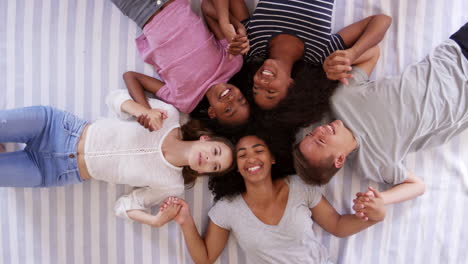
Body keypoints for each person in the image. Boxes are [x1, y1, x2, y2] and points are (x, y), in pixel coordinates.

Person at [293, 23, 468, 216]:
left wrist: (348, 57)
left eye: (311, 134)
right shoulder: (372, 163)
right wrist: (382, 199)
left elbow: (373, 53)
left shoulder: (340, 97)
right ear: (339, 159)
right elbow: (417, 186)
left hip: (455, 56)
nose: (319, 130)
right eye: (320, 140)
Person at [0, 90, 235, 227]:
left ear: (206, 173)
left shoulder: (171, 185)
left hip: (55, 171)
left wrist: (155, 221)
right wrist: (142, 112)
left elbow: (125, 205)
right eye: (215, 151)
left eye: (214, 167)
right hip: (57, 128)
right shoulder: (169, 117)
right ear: (206, 139)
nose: (208, 160)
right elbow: (115, 97)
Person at [162, 135, 385, 263]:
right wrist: (185, 221)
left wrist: (374, 217)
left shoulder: (299, 187)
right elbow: (206, 258)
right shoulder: (227, 208)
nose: (251, 158)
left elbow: (337, 225)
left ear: (273, 158)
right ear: (237, 169)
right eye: (242, 155)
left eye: (258, 151)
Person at [111, 0, 251, 126]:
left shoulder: (184, 102)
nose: (232, 99)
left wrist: (145, 111)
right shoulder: (233, 64)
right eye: (241, 100)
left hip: (140, 12)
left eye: (228, 110)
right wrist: (233, 25)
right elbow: (207, 7)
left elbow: (130, 77)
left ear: (212, 112)